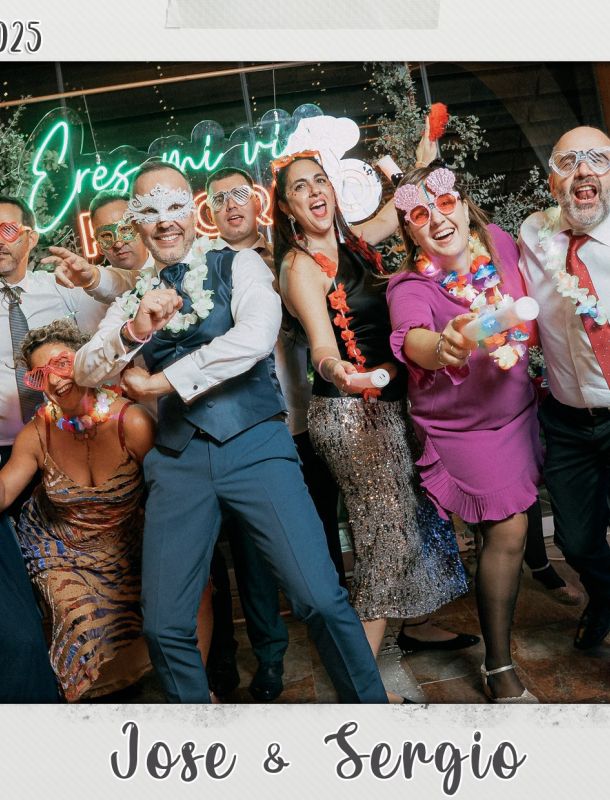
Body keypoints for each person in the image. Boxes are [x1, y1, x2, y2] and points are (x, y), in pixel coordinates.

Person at [73, 160, 387, 704]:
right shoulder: (131, 298)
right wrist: (132, 330)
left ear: (193, 210)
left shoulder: (239, 264)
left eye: (175, 205)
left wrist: (161, 382)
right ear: (137, 223)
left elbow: (255, 338)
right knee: (164, 625)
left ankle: (370, 717)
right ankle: (198, 738)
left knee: (318, 597)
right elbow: (83, 370)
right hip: (177, 461)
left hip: (255, 445)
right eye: (149, 210)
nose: (165, 221)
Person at [272, 152, 474, 701]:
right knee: (386, 537)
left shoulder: (355, 241)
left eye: (321, 181)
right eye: (300, 187)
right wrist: (337, 369)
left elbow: (397, 211)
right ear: (287, 206)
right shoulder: (300, 266)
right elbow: (321, 344)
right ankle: (361, 685)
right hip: (352, 413)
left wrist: (415, 168)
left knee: (414, 518)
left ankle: (415, 623)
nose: (315, 192)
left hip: (390, 401)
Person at [387, 163, 542, 702]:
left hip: (518, 413)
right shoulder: (409, 285)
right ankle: (499, 666)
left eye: (444, 204)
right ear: (410, 232)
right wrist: (443, 344)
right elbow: (412, 338)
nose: (437, 220)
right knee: (509, 529)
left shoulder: (499, 243)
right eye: (420, 215)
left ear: (463, 206)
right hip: (464, 429)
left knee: (510, 528)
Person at [0, 319, 154, 701]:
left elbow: (169, 495)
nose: (54, 380)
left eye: (62, 363)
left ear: (87, 359)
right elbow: (4, 492)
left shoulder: (131, 421)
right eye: (40, 374)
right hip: (60, 550)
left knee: (156, 616)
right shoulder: (37, 434)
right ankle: (84, 712)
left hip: (126, 546)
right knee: (80, 620)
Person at [519, 126, 610, 650]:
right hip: (568, 420)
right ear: (553, 180)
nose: (584, 170)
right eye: (569, 161)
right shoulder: (536, 234)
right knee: (575, 540)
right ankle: (606, 594)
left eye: (597, 159)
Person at [48, 190, 153, 289]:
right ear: (98, 246)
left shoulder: (163, 269)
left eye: (125, 229)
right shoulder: (92, 283)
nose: (118, 244)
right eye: (106, 236)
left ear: (143, 229)